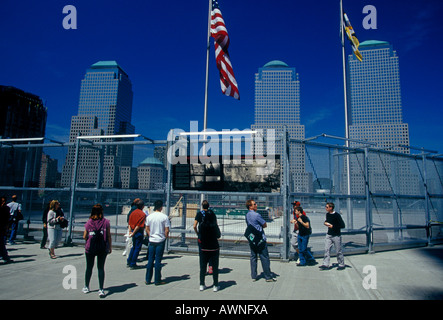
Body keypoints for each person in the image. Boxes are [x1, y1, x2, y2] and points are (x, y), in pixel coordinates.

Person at [82, 204, 112, 297]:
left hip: (90, 248)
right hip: (102, 248)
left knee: (89, 267)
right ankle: (101, 289)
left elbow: (84, 236)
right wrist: (109, 247)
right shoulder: (106, 222)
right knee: (100, 268)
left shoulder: (89, 222)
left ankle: (86, 286)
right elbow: (108, 236)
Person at [245, 199, 276, 282]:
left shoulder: (247, 215)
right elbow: (264, 224)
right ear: (250, 206)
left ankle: (254, 275)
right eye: (254, 204)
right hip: (260, 239)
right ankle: (268, 276)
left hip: (252, 239)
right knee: (264, 257)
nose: (256, 205)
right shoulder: (257, 215)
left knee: (253, 256)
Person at [195, 200, 221, 292]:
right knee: (215, 266)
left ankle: (202, 284)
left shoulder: (201, 227)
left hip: (203, 246)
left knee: (202, 266)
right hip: (214, 247)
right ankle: (215, 285)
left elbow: (195, 226)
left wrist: (198, 234)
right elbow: (218, 235)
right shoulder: (214, 225)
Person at [145, 200, 170, 286]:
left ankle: (148, 279)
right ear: (161, 207)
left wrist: (150, 235)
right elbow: (167, 230)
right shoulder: (164, 217)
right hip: (160, 240)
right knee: (158, 261)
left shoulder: (149, 217)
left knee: (150, 260)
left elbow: (147, 228)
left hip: (152, 240)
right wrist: (165, 237)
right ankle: (157, 279)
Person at [320, 202, 346, 270]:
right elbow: (328, 221)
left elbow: (342, 225)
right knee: (327, 249)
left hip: (336, 235)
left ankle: (341, 264)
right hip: (329, 235)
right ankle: (325, 264)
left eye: (327, 207)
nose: (326, 208)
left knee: (338, 251)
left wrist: (333, 226)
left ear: (331, 208)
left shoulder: (337, 215)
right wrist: (325, 223)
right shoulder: (327, 214)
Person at [193, 200, 214, 275]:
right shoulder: (211, 213)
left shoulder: (199, 214)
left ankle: (203, 269)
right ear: (208, 206)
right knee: (211, 252)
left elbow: (194, 225)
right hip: (210, 236)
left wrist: (197, 233)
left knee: (202, 253)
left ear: (202, 206)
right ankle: (211, 267)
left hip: (202, 236)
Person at [127, 199, 146, 269]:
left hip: (132, 230)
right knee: (137, 248)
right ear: (143, 206)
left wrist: (130, 232)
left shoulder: (132, 212)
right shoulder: (142, 214)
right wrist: (134, 232)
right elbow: (138, 225)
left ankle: (129, 260)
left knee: (133, 246)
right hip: (138, 232)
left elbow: (129, 223)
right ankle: (133, 263)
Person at [0, 196, 13, 263]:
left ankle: (5, 257)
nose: (3, 202)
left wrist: (7, 227)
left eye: (4, 201)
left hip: (2, 229)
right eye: (2, 201)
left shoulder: (6, 209)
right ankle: (5, 257)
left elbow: (7, 219)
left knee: (2, 244)